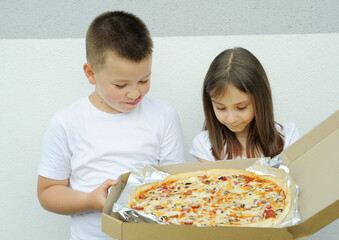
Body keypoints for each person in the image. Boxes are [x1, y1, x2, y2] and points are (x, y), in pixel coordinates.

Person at [37, 11, 185, 239]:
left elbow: (176, 185)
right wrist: (90, 200)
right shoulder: (66, 122)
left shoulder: (164, 115)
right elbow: (47, 192)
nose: (135, 93)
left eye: (144, 80)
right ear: (91, 74)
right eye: (121, 84)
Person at [190, 47, 299, 162]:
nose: (231, 119)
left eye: (241, 107)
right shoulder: (205, 145)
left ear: (260, 100)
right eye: (220, 108)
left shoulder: (287, 137)